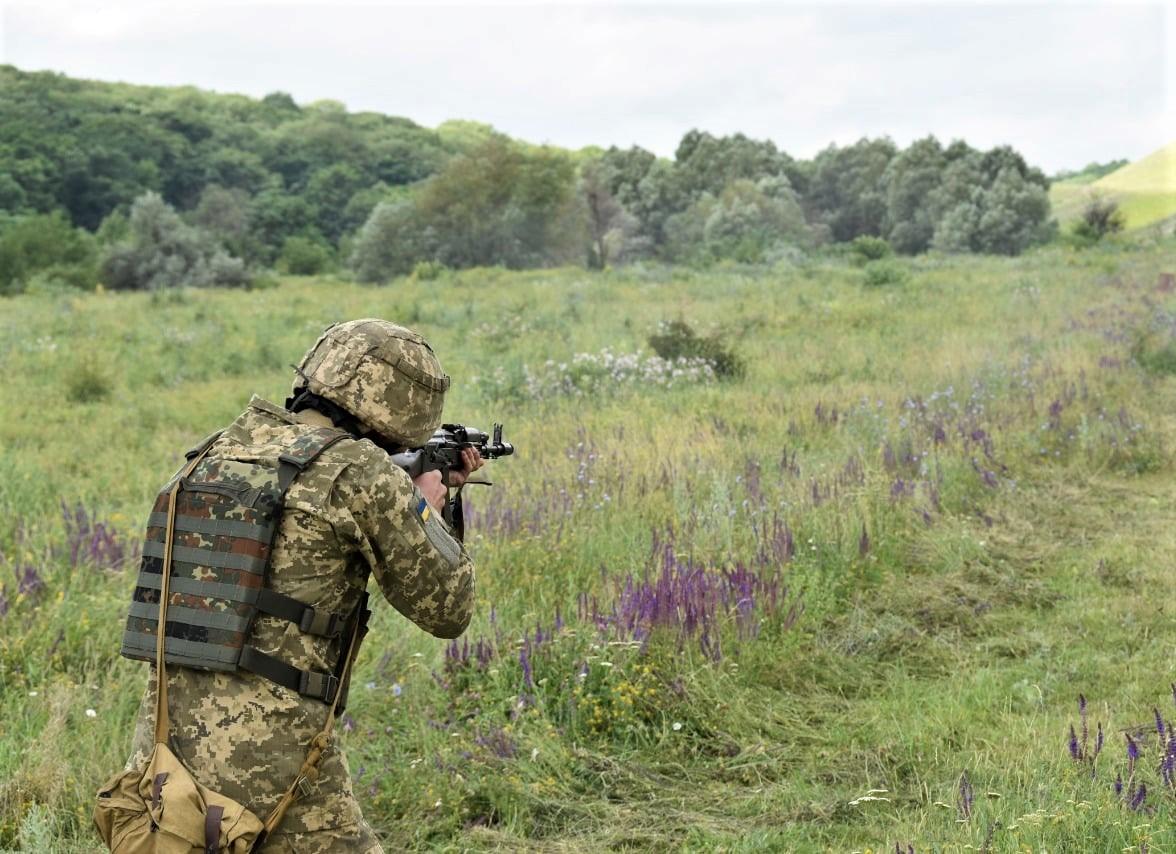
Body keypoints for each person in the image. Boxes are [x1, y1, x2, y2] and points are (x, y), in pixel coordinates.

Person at [118, 319, 480, 853]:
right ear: (404, 406)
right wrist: (428, 505)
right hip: (276, 763)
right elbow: (448, 609)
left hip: (162, 753)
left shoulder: (216, 449)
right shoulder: (362, 471)